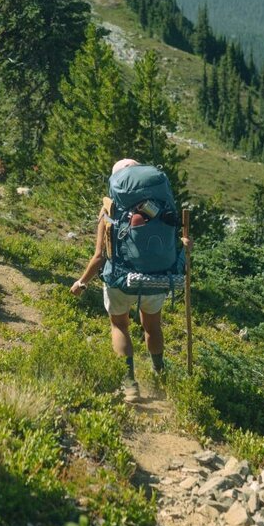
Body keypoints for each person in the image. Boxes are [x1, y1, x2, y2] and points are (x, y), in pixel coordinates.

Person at [70, 158, 187, 400]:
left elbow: (99, 257)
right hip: (157, 278)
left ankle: (130, 384)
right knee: (153, 327)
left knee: (119, 325)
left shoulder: (109, 211)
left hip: (120, 280)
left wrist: (82, 283)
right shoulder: (163, 205)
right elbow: (179, 242)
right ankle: (159, 375)